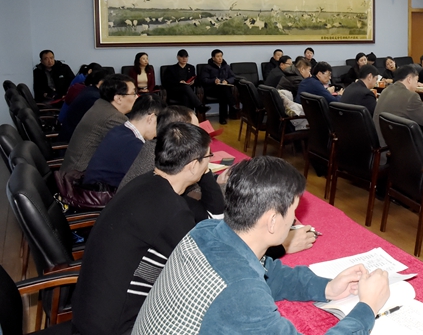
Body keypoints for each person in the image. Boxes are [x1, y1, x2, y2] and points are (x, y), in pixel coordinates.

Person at [132, 156, 389, 335]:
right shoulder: (240, 291)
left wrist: (326, 287)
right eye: (293, 212)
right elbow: (244, 287)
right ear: (273, 220)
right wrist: (367, 308)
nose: (295, 220)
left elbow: (267, 273)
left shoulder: (206, 230)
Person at [71, 122, 225, 335]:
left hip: (89, 311)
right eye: (208, 157)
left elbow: (209, 215)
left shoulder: (146, 183)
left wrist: (201, 166)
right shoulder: (172, 210)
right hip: (117, 327)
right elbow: (204, 269)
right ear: (192, 166)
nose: (209, 164)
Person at [82, 93, 162, 188]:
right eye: (160, 122)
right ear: (151, 118)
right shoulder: (133, 145)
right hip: (104, 194)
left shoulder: (119, 130)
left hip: (93, 189)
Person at [61, 74, 137, 175]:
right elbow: (136, 146)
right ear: (118, 98)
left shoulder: (101, 104)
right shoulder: (113, 118)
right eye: (134, 93)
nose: (137, 97)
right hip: (79, 176)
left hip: (75, 169)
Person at [372, 64, 423, 146]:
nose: (416, 85)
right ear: (409, 79)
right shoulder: (411, 96)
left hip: (379, 142)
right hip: (395, 146)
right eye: (416, 80)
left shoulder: (386, 90)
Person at [162, 49, 207, 114]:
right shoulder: (171, 68)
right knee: (185, 87)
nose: (184, 59)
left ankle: (187, 116)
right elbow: (166, 82)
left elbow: (197, 80)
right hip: (175, 91)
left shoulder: (191, 67)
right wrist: (179, 82)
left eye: (186, 57)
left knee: (186, 96)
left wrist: (193, 82)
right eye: (182, 57)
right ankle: (199, 106)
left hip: (188, 92)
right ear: (178, 57)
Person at [201, 49, 237, 125]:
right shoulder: (207, 67)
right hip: (212, 89)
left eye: (221, 56)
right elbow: (204, 80)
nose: (220, 58)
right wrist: (213, 81)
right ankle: (232, 105)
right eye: (218, 56)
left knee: (223, 93)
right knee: (224, 91)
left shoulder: (226, 66)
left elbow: (233, 77)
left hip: (223, 90)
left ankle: (223, 118)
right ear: (213, 58)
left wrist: (227, 81)